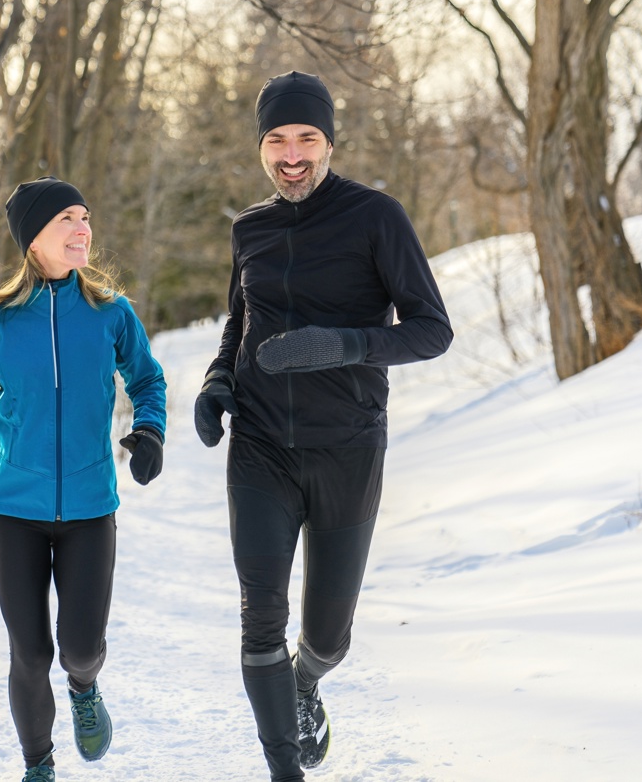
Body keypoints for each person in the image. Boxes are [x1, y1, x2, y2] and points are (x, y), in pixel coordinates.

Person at [194, 71, 453, 781]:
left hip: (348, 449)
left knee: (328, 637)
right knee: (259, 622)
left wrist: (342, 345)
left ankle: (306, 681)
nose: (291, 154)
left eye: (306, 137)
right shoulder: (250, 228)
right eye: (276, 140)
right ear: (261, 148)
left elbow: (433, 331)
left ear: (330, 142)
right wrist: (219, 382)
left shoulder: (377, 218)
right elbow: (238, 320)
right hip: (260, 450)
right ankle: (286, 770)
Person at [0, 176, 167, 782]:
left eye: (85, 216)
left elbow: (147, 382)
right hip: (15, 511)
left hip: (90, 508)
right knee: (30, 655)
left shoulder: (111, 314)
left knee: (79, 650)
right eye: (67, 218)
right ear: (33, 238)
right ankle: (39, 765)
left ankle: (85, 688)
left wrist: (151, 432)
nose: (83, 228)